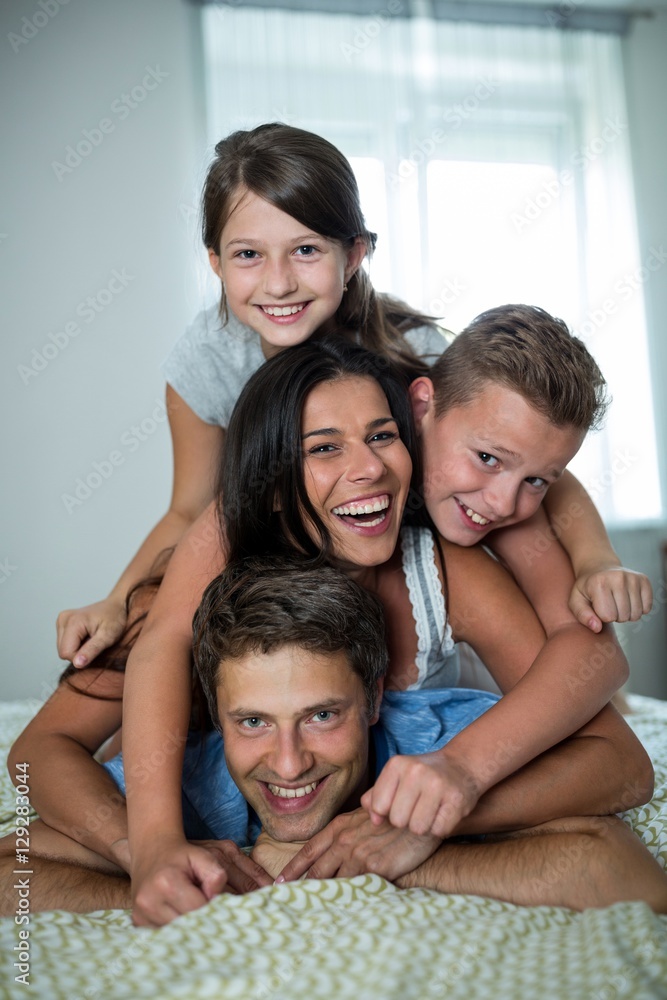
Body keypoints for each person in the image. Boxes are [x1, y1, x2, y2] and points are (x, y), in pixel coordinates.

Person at [9, 321, 650, 920]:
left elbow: (617, 756)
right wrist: (143, 848)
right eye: (322, 448)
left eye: (380, 436)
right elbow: (37, 756)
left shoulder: (448, 566)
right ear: (275, 483)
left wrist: (429, 812)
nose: (366, 467)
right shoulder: (191, 592)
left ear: (409, 433)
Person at [2, 560, 662, 915]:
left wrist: (409, 852)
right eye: (253, 722)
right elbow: (13, 858)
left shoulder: (434, 738)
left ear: (375, 699)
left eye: (323, 715)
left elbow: (625, 868)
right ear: (214, 716)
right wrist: (156, 870)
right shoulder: (190, 780)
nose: (287, 764)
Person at [54, 122, 445, 672]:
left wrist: (590, 557)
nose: (279, 283)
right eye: (248, 255)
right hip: (277, 577)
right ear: (215, 262)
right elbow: (189, 508)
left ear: (353, 255)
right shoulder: (209, 357)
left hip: (389, 559)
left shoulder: (414, 350)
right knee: (145, 627)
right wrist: (117, 600)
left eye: (306, 249)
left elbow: (511, 461)